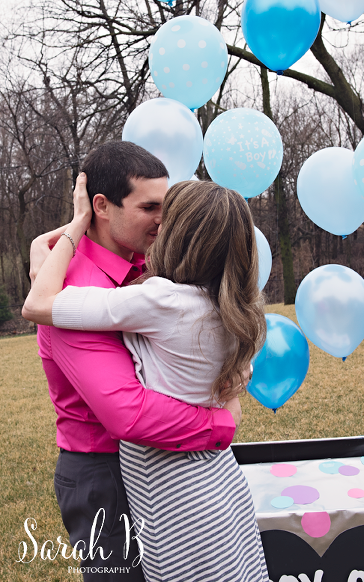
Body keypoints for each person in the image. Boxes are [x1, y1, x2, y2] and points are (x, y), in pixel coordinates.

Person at [23, 173, 270, 582]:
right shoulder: (233, 305)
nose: (157, 223)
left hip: (172, 492)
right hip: (220, 479)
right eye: (150, 208)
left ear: (181, 234)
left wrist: (63, 234)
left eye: (165, 213)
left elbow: (37, 304)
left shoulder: (160, 299)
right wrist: (225, 415)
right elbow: (236, 380)